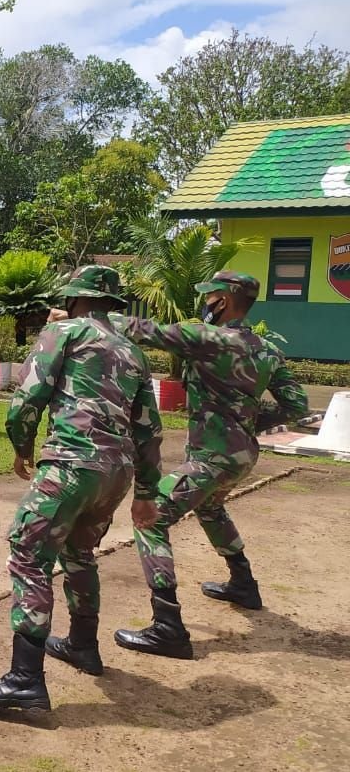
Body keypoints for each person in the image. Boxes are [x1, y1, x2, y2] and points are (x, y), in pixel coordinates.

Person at [0, 266, 162, 712]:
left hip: (73, 461)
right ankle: (82, 645)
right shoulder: (132, 350)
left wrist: (22, 446)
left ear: (74, 299)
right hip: (117, 471)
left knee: (29, 554)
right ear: (112, 304)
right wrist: (147, 490)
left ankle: (25, 678)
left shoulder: (63, 332)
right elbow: (149, 428)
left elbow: (28, 398)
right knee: (79, 553)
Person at [109, 270, 308, 660]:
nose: (207, 302)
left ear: (226, 299)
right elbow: (297, 406)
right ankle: (243, 584)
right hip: (243, 456)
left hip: (211, 458)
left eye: (211, 295)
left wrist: (85, 317)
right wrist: (248, 422)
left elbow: (143, 329)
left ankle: (167, 626)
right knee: (211, 507)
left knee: (150, 518)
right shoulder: (266, 350)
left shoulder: (209, 338)